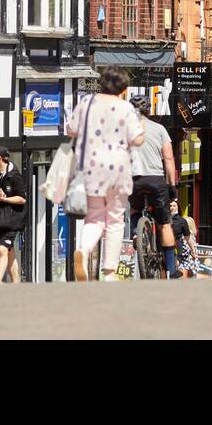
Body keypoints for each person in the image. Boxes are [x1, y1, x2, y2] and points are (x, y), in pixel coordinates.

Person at [66, 70, 145, 282]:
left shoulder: (86, 104)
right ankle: (109, 272)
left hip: (91, 168)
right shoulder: (126, 108)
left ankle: (83, 250)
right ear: (124, 88)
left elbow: (70, 130)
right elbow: (137, 140)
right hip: (118, 169)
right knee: (115, 219)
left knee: (94, 217)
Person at [127, 94, 180, 279]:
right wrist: (172, 186)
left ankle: (135, 233)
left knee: (134, 208)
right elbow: (169, 159)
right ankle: (172, 270)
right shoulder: (159, 129)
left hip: (134, 178)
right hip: (156, 179)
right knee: (165, 224)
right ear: (148, 111)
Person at [0, 147, 27, 282]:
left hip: (12, 220)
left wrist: (4, 199)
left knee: (2, 250)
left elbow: (22, 199)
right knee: (10, 253)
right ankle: (17, 283)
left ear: (0, 158)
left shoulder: (14, 175)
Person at [169, 195, 211, 278]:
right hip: (165, 247)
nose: (172, 208)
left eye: (174, 206)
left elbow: (188, 239)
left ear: (178, 207)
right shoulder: (164, 219)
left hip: (176, 248)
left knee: (175, 267)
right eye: (170, 206)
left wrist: (193, 251)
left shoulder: (182, 221)